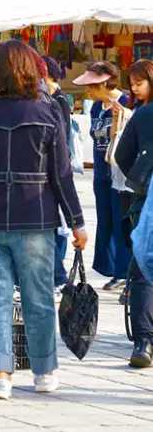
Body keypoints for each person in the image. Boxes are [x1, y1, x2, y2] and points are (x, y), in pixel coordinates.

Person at [0, 40, 87, 400]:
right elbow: (62, 176)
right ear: (31, 71)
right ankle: (44, 370)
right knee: (38, 296)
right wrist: (77, 222)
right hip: (35, 216)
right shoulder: (47, 115)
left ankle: (1, 376)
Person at [74, 61, 131, 289]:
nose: (87, 91)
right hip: (101, 172)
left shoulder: (127, 103)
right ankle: (110, 268)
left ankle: (124, 272)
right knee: (105, 220)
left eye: (91, 86)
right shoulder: (97, 107)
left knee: (122, 221)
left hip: (122, 175)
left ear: (104, 83)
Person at [115, 63, 153, 368]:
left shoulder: (142, 115)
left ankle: (144, 341)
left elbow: (121, 155)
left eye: (140, 82)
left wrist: (139, 181)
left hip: (146, 201)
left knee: (143, 267)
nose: (135, 88)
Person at [40, 55, 73, 290]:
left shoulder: (57, 101)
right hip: (51, 169)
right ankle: (56, 273)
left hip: (55, 169)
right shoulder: (50, 99)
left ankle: (58, 274)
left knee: (57, 224)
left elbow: (59, 138)